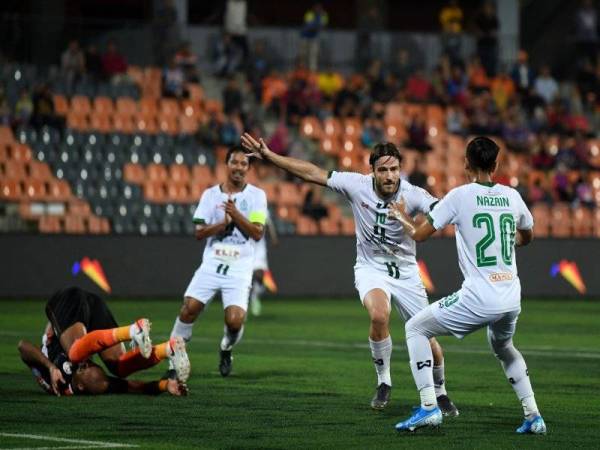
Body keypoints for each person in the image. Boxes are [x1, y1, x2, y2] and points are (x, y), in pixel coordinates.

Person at [241, 133, 458, 414]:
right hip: (371, 269)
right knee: (379, 314)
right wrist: (271, 157)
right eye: (383, 170)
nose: (389, 176)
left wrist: (407, 218)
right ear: (373, 171)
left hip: (406, 272)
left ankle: (440, 392)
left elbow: (442, 213)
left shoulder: (413, 194)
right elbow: (312, 172)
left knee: (430, 342)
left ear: (400, 170)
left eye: (394, 169)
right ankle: (384, 381)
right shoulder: (357, 185)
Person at [390, 137, 545, 434]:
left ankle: (428, 407)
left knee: (415, 329)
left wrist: (401, 215)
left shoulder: (459, 196)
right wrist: (509, 242)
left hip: (480, 297)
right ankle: (533, 415)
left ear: (466, 164)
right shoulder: (512, 196)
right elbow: (527, 235)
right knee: (504, 346)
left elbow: (420, 235)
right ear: (496, 165)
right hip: (511, 296)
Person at [169, 146, 268, 377]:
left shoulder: (256, 196)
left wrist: (235, 214)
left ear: (248, 169)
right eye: (235, 162)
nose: (239, 167)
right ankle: (174, 364)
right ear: (227, 165)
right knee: (188, 308)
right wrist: (220, 225)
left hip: (241, 265)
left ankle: (226, 348)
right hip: (213, 260)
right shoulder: (210, 195)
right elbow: (199, 232)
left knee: (234, 321)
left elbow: (257, 233)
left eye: (244, 164)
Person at [18, 287, 189, 396]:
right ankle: (168, 349)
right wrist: (165, 385)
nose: (87, 364)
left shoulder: (53, 382)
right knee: (120, 367)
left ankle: (131, 331)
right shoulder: (99, 384)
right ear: (83, 388)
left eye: (85, 368)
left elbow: (23, 347)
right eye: (92, 365)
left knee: (75, 354)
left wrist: (51, 367)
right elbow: (133, 387)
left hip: (67, 302)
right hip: (93, 307)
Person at [249, 211, 278, 316]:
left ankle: (254, 297)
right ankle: (247, 297)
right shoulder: (242, 202)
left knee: (261, 276)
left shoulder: (261, 205)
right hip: (246, 246)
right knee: (252, 275)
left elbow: (269, 223)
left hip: (260, 247)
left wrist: (274, 237)